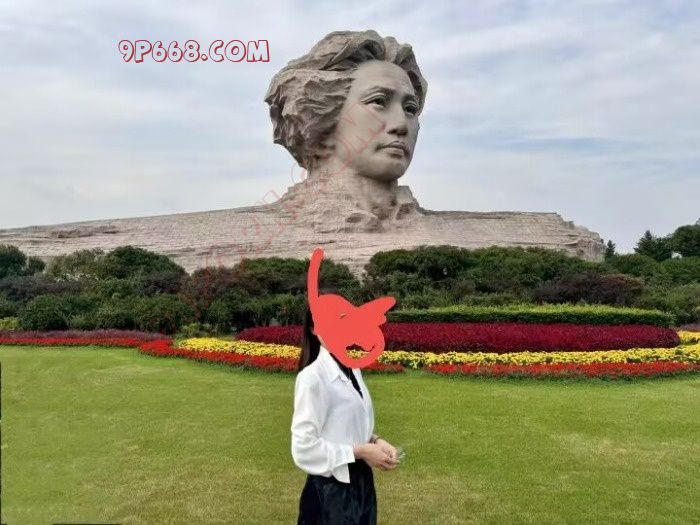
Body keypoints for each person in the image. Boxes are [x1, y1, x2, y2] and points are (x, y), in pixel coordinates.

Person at [292, 305, 400, 524]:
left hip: (361, 483)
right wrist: (361, 451)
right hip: (331, 492)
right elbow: (303, 447)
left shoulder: (352, 368)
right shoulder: (312, 378)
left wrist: (375, 441)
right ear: (314, 328)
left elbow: (344, 423)